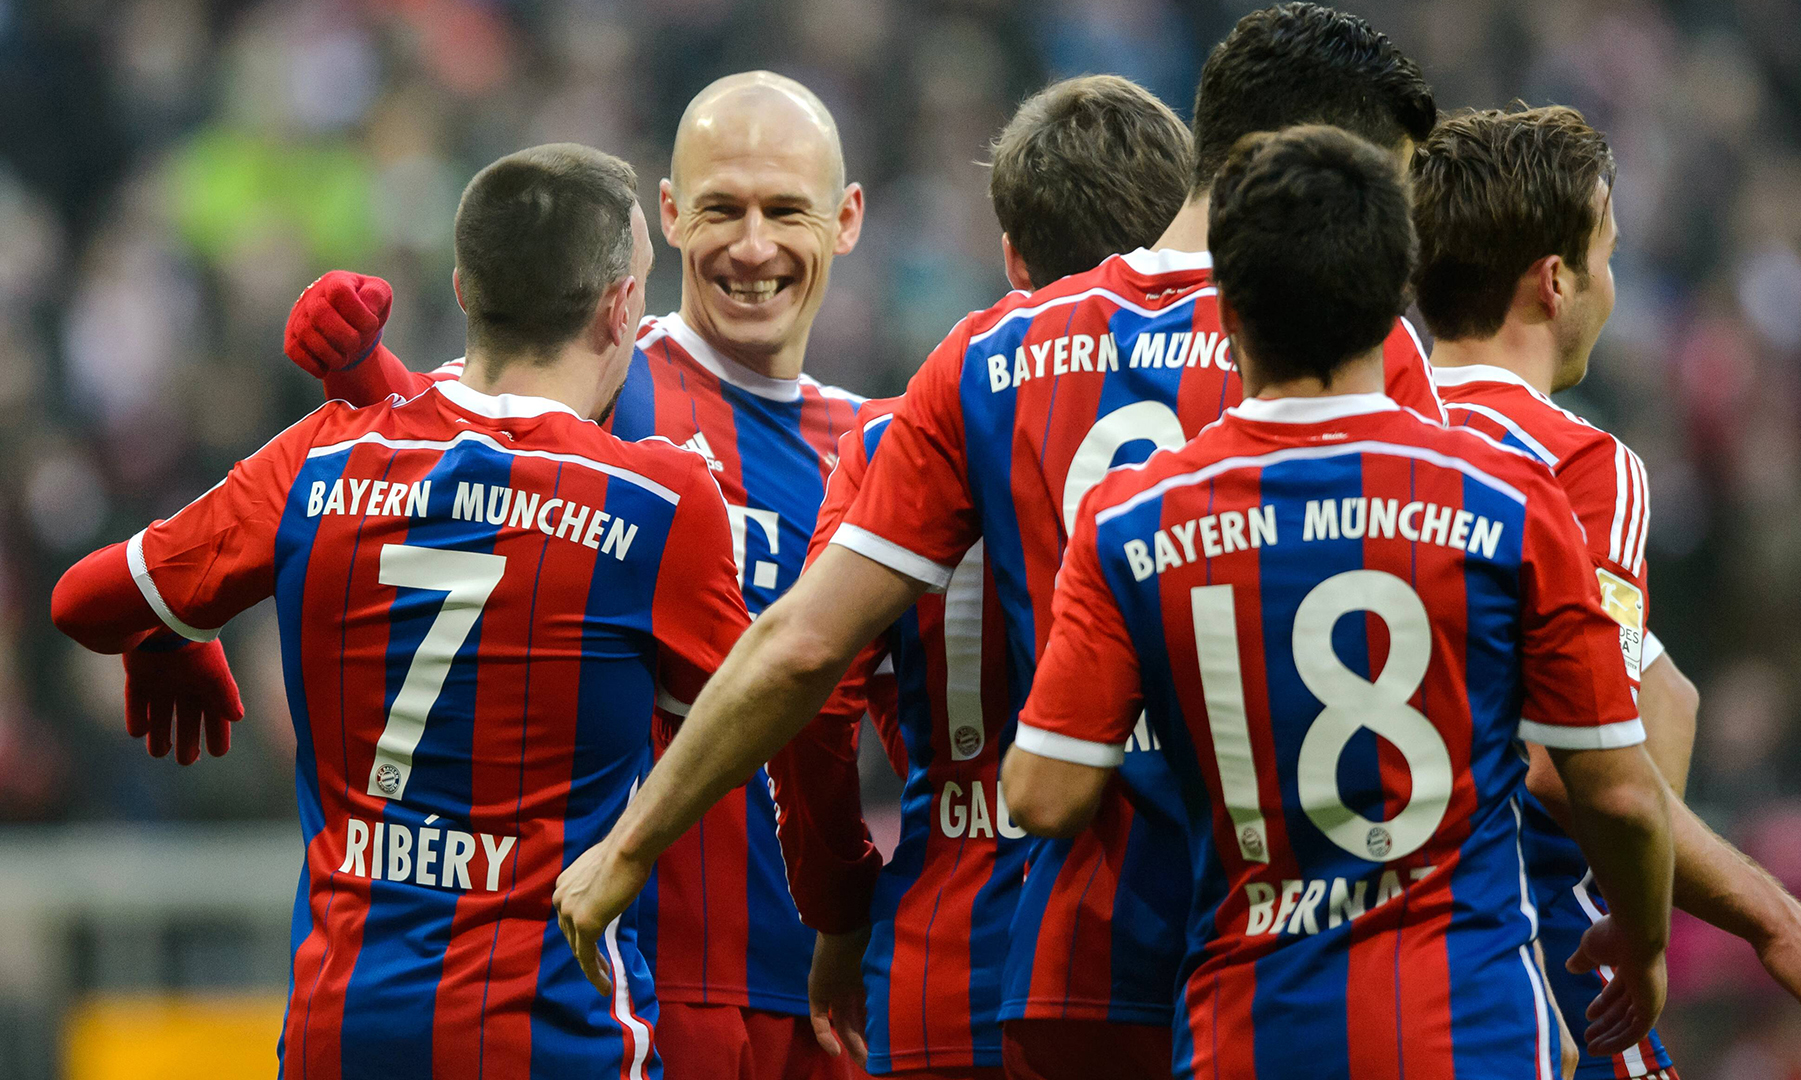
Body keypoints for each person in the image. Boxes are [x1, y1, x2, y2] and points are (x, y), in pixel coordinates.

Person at [549, 8, 1442, 1080]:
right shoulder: (1348, 351)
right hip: (1275, 947)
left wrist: (630, 855)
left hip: (1032, 944)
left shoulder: (974, 363)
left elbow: (804, 654)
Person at [51, 143, 750, 1080]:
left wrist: (175, 633)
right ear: (621, 308)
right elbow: (766, 716)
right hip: (549, 1037)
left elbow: (83, 602)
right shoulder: (658, 501)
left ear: (462, 288)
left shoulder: (323, 456)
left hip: (342, 1031)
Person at [1003, 123, 1676, 1080]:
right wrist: (1642, 943)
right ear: (1393, 298)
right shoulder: (1513, 498)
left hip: (1248, 1025)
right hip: (1469, 1020)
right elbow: (1618, 794)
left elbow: (1045, 793)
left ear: (1225, 303)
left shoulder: (1130, 520)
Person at [257, 70, 873, 1080]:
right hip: (622, 982)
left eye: (784, 211)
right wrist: (364, 378)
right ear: (667, 218)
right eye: (721, 209)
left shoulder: (883, 443)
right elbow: (440, 469)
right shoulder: (594, 377)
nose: (752, 245)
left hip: (810, 993)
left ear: (845, 221)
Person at [1411, 105, 1801, 1079]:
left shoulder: (1348, 439)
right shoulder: (1576, 464)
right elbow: (1567, 768)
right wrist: (1777, 926)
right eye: (1608, 256)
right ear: (1556, 282)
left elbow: (1658, 696)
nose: (1614, 286)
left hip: (1328, 966)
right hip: (1517, 951)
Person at [781, 74, 1195, 1080]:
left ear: (1012, 256)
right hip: (1157, 929)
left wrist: (841, 907)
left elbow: (815, 695)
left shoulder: (899, 434)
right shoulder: (1234, 426)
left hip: (942, 945)